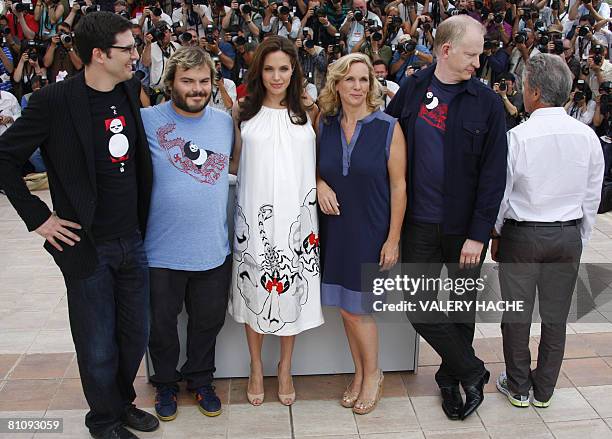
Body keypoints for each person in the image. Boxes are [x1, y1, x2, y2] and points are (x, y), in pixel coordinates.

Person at [0, 12, 159, 439]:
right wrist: (40, 218)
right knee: (96, 343)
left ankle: (121, 402)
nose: (135, 55)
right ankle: (103, 419)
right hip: (87, 245)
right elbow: (4, 158)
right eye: (127, 48)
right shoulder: (54, 102)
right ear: (98, 55)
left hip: (133, 240)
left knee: (133, 336)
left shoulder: (128, 89)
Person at [386, 15, 507, 421]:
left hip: (464, 231)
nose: (478, 62)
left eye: (480, 54)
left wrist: (478, 235)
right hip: (419, 223)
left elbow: (494, 176)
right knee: (417, 305)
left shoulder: (487, 103)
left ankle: (449, 380)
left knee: (461, 310)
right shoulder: (413, 89)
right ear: (446, 49)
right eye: (472, 54)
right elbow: (384, 139)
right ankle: (472, 371)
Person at [491, 53, 604, 408]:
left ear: (535, 92)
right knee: (555, 317)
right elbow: (591, 196)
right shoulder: (587, 137)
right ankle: (544, 390)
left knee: (517, 315)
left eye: (524, 86)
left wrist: (496, 233)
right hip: (567, 234)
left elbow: (502, 193)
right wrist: (579, 238)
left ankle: (519, 386)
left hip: (523, 235)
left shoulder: (518, 137)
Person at [228, 35, 324, 407]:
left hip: (297, 219)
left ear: (294, 71)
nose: (276, 76)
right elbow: (234, 164)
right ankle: (255, 366)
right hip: (253, 215)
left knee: (291, 296)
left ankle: (285, 368)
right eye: (269, 69)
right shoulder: (243, 113)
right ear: (259, 72)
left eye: (284, 68)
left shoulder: (309, 111)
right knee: (255, 291)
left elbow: (319, 162)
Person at [141, 46, 233, 421]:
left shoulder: (225, 122)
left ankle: (200, 379)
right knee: (161, 326)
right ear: (171, 83)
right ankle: (165, 384)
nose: (197, 89)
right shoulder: (146, 119)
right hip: (160, 250)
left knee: (207, 323)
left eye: (203, 81)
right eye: (188, 81)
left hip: (213, 248)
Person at [316, 53, 407, 415]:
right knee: (346, 307)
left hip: (371, 229)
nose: (357, 87)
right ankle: (359, 374)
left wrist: (392, 238)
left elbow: (399, 187)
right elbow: (312, 166)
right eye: (350, 79)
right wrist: (320, 183)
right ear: (336, 84)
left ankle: (373, 375)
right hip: (334, 229)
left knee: (360, 310)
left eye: (364, 80)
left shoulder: (388, 127)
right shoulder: (325, 123)